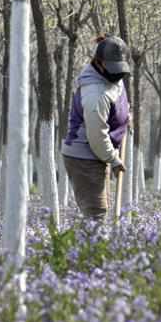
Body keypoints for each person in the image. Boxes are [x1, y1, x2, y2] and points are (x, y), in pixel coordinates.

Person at [61, 35, 131, 221]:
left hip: (99, 153)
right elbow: (97, 136)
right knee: (96, 215)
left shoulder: (113, 76)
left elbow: (118, 97)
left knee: (102, 211)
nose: (117, 73)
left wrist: (124, 116)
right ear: (99, 63)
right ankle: (89, 250)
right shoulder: (95, 93)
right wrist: (114, 160)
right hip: (85, 156)